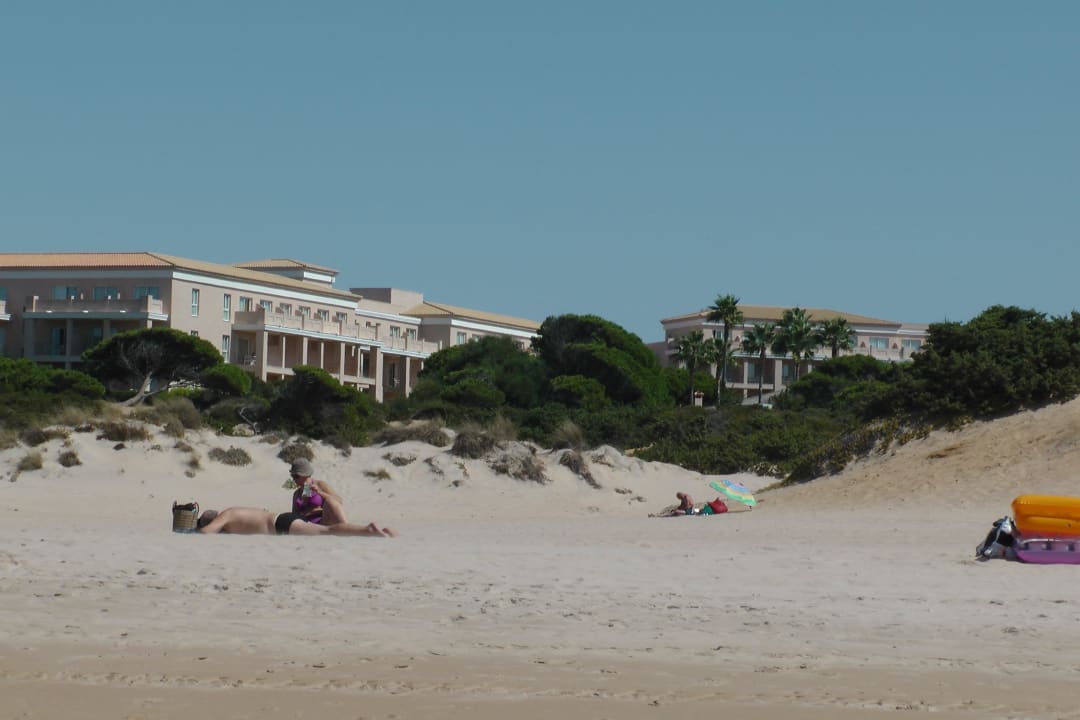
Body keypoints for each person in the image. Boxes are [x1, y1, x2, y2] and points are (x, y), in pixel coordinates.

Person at [196, 507, 395, 537]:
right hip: (283, 518)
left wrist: (198, 530)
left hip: (281, 524)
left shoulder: (226, 515)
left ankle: (366, 530)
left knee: (327, 531)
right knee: (325, 530)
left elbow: (208, 532)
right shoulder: (234, 510)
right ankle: (383, 532)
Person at [286, 458, 349, 526]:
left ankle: (347, 527)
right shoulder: (297, 493)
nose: (293, 479)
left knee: (330, 501)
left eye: (296, 476)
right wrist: (306, 507)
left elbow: (339, 501)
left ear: (305, 474)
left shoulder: (320, 485)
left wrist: (319, 492)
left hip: (324, 521)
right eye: (292, 475)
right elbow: (294, 516)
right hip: (307, 526)